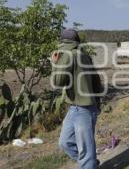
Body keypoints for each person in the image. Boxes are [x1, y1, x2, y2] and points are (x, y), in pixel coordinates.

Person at [51, 29, 101, 169]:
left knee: (85, 149)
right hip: (75, 108)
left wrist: (55, 63)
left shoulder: (68, 55)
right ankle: (90, 163)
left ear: (62, 41)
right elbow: (96, 80)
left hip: (83, 109)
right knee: (65, 142)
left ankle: (89, 163)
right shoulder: (84, 55)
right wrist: (98, 103)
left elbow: (57, 82)